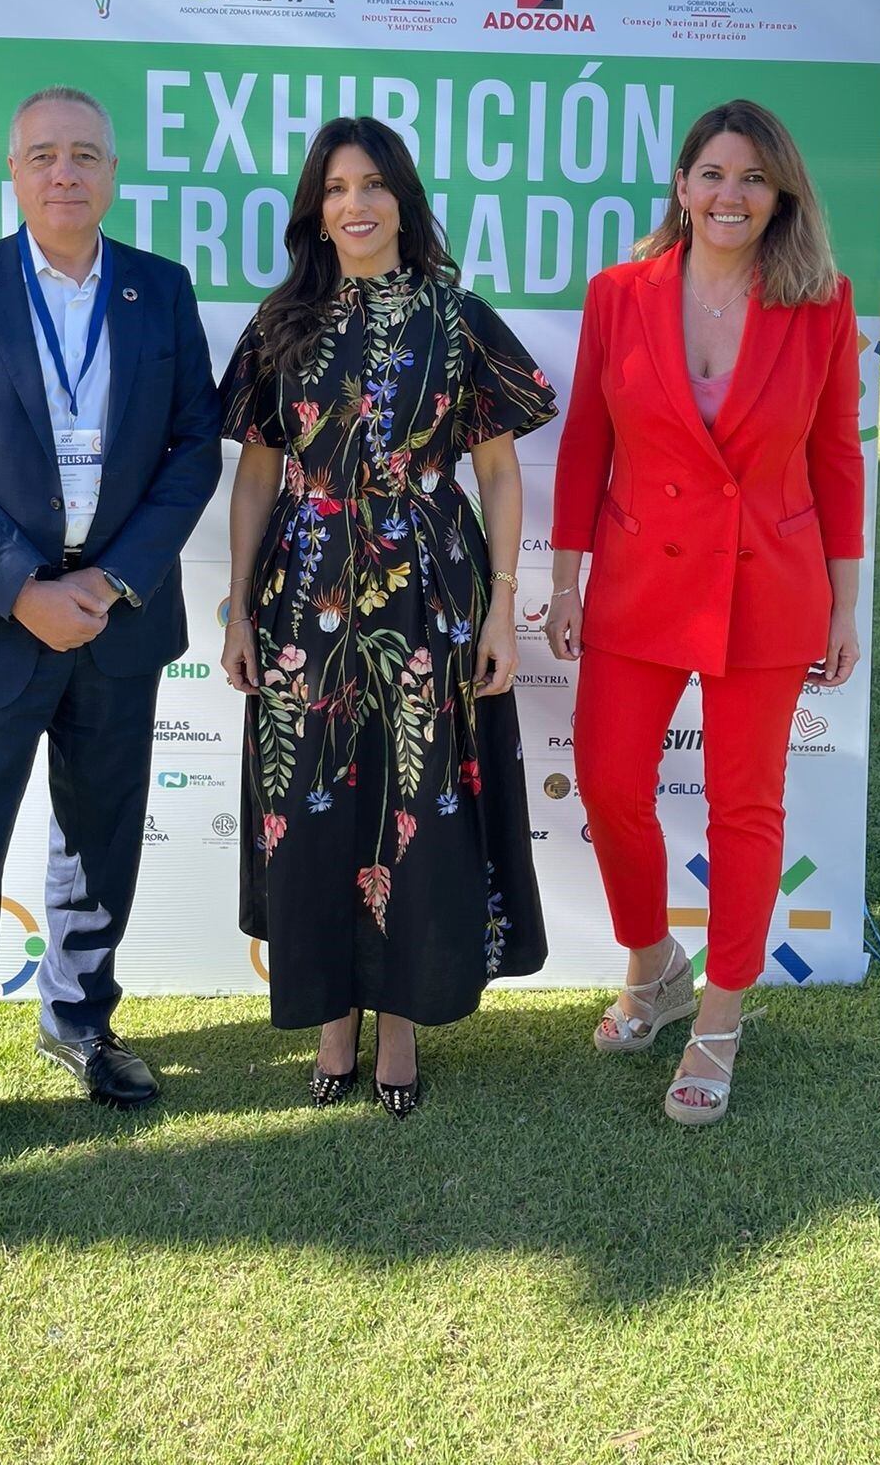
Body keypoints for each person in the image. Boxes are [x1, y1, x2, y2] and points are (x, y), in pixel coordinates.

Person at [0, 86, 221, 1209]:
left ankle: (79, 1020)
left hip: (117, 623)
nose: (63, 172)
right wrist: (23, 586)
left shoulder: (160, 291)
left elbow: (193, 448)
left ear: (112, 172)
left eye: (83, 154)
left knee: (100, 840)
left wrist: (111, 581)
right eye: (42, 155)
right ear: (15, 174)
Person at [220, 118, 553, 1119]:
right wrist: (238, 608)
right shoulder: (282, 320)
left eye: (371, 184)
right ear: (316, 210)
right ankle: (330, 1016)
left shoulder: (458, 317)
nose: (354, 203)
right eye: (334, 188)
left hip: (429, 589)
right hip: (303, 589)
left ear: (403, 200)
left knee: (420, 801)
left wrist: (503, 604)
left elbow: (500, 474)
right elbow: (257, 476)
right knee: (311, 803)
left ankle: (401, 1019)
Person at [546, 99, 864, 1127]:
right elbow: (587, 440)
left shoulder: (822, 303)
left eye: (754, 178)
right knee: (608, 781)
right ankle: (654, 963)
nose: (733, 194)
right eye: (715, 173)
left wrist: (846, 604)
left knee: (744, 809)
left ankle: (719, 1017)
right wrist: (564, 579)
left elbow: (836, 459)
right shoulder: (619, 294)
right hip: (639, 578)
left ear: (782, 196)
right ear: (682, 185)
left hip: (770, 586)